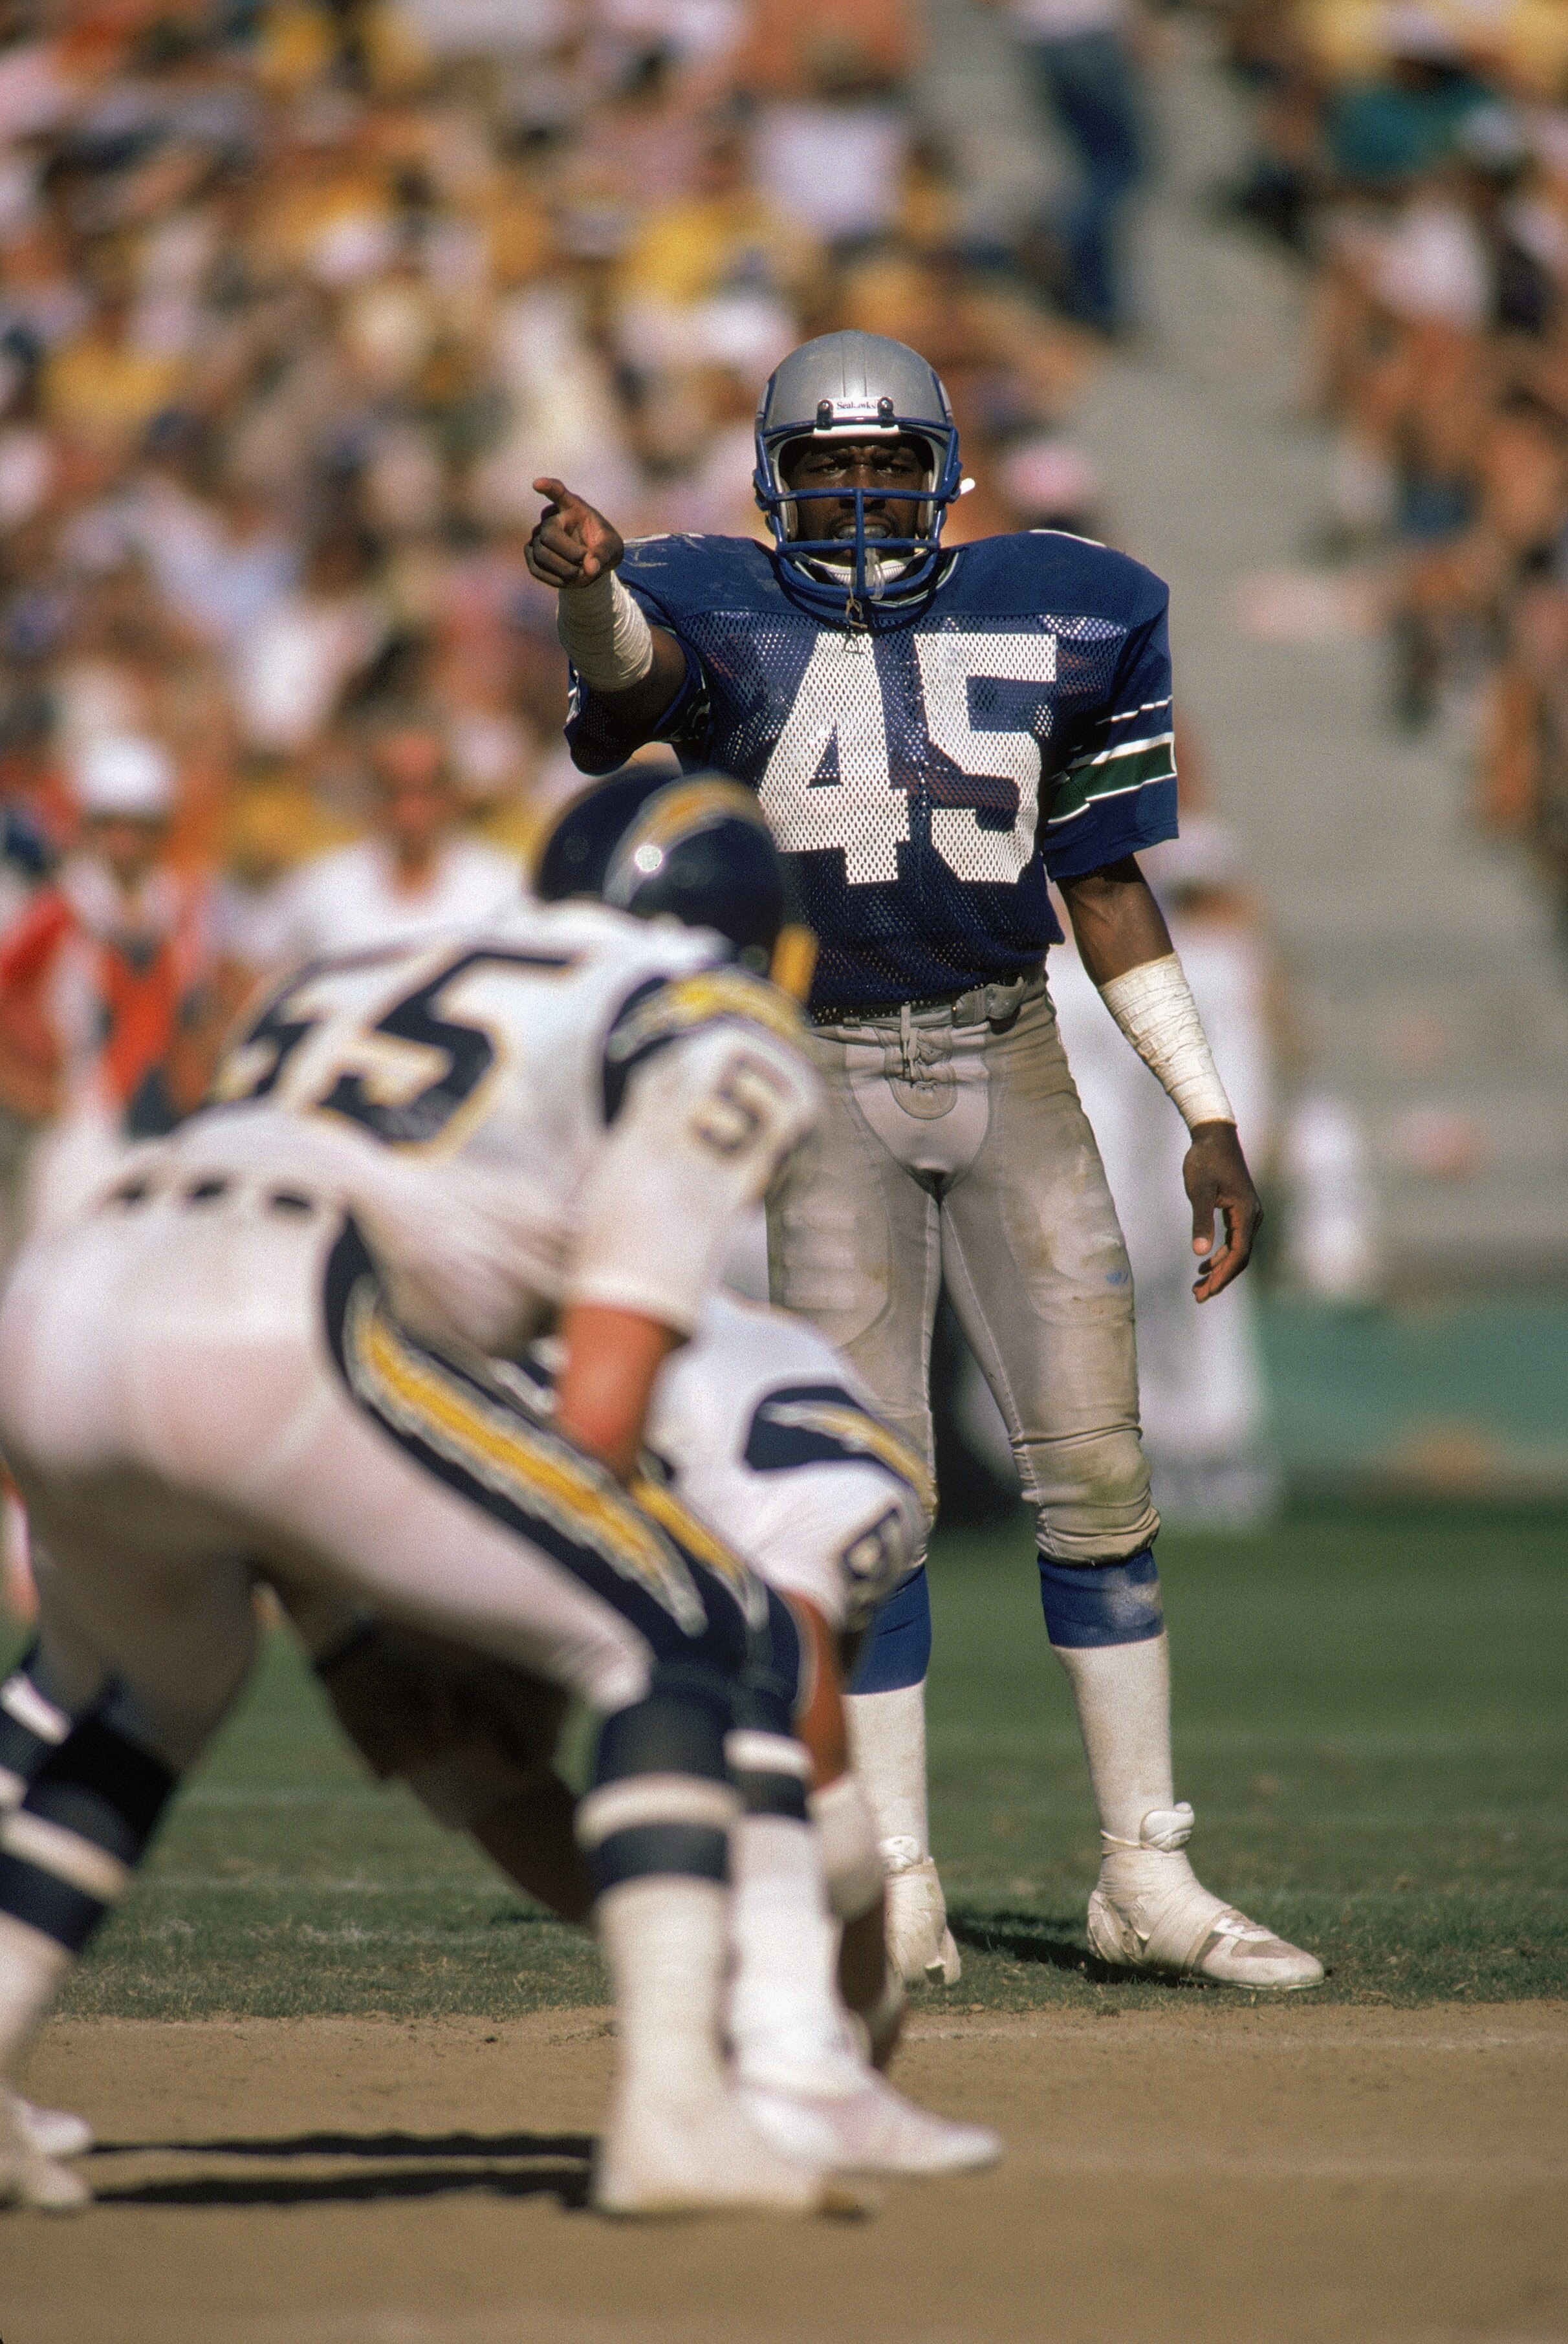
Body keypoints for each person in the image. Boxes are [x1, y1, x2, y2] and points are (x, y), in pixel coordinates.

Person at [0, 774, 990, 2218]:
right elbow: (597, 1412)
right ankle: (680, 2111)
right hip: (277, 1304)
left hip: (62, 1294)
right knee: (692, 1618)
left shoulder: (363, 962)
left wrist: (354, 1621)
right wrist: (474, 1616)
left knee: (135, 1691)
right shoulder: (714, 1028)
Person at [524, 326, 1323, 1996]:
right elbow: (632, 686)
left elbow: (1105, 887)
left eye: (891, 471)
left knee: (1101, 1475)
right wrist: (590, 586)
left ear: (947, 473)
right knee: (868, 1504)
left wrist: (1207, 1112)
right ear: (775, 484)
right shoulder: (712, 602)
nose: (865, 503)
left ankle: (1144, 1871)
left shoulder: (1069, 603)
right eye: (832, 473)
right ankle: (893, 1878)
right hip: (814, 1070)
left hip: (1009, 1042)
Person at [234, 711, 523, 972]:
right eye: (395, 791)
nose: (411, 812)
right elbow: (245, 965)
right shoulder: (322, 887)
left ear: (452, 794)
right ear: (373, 795)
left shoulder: (502, 889)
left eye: (426, 790)